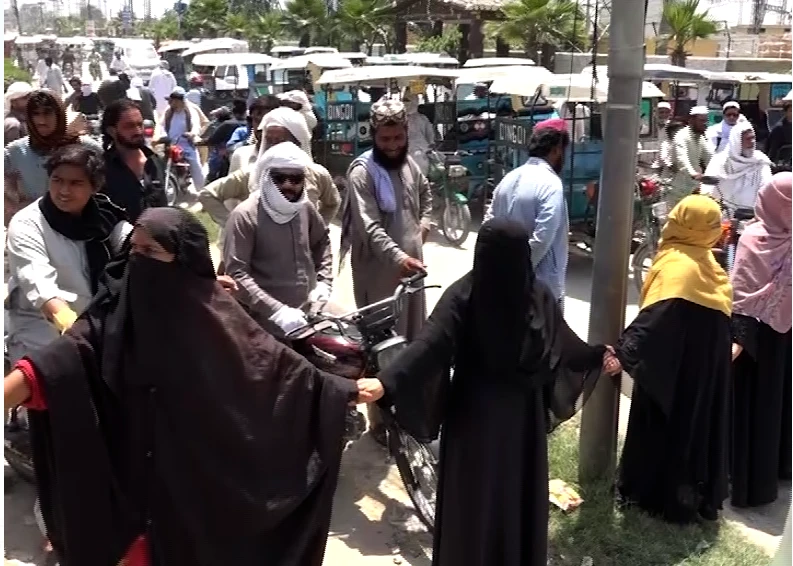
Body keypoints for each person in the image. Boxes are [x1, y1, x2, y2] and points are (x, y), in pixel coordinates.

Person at [3, 206, 376, 566]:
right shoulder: (111, 320)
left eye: (150, 251)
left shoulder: (217, 320)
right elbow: (55, 365)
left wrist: (342, 391)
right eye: (133, 249)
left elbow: (275, 369)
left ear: (182, 262)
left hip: (199, 496)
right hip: (132, 500)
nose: (137, 261)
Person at [360, 219, 618, 566]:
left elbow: (429, 345)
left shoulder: (471, 294)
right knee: (508, 500)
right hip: (517, 423)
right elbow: (564, 347)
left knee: (477, 504)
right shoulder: (533, 293)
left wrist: (386, 383)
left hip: (476, 419)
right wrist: (387, 381)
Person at [612, 194, 732, 524]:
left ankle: (650, 497)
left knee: (658, 431)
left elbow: (655, 321)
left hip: (669, 372)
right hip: (702, 375)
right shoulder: (714, 271)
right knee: (692, 431)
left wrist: (622, 353)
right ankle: (688, 499)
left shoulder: (676, 266)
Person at [341, 97, 432, 444]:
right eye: (385, 140)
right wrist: (399, 257)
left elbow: (427, 198)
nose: (392, 146)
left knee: (411, 343)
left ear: (406, 132)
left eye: (397, 139)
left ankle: (406, 411)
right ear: (374, 136)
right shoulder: (363, 172)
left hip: (411, 275)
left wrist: (421, 232)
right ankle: (380, 423)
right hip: (378, 275)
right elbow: (369, 228)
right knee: (381, 349)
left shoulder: (410, 165)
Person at [6, 143, 130, 364]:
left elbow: (134, 247)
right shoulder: (28, 224)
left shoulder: (105, 216)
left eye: (75, 183)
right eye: (57, 180)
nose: (64, 191)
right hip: (41, 329)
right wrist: (72, 327)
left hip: (98, 322)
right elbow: (41, 287)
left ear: (95, 186)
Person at [223, 142, 333, 337]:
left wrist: (325, 281)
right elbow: (237, 274)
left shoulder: (305, 208)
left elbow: (321, 241)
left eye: (295, 179)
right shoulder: (245, 215)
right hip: (261, 324)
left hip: (304, 317)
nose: (288, 185)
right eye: (279, 178)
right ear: (266, 177)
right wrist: (277, 311)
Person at [729, 172, 792, 508]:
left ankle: (747, 483)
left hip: (751, 336)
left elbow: (739, 294)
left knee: (749, 408)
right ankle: (778, 469)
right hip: (784, 333)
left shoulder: (753, 237)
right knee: (776, 403)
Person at [486, 118, 570, 304]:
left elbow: (488, 226)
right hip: (541, 291)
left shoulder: (508, 179)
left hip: (506, 285)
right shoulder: (551, 184)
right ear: (557, 150)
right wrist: (520, 271)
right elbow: (542, 238)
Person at [5, 90, 101, 226]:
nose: (41, 121)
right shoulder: (15, 152)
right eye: (35, 114)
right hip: (34, 229)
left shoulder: (87, 148)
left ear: (59, 114)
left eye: (47, 113)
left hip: (79, 229)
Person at [101, 99, 168, 222]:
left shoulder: (155, 162)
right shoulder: (102, 170)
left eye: (140, 124)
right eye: (129, 126)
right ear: (112, 131)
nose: (138, 131)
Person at [702, 121, 772, 213]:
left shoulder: (760, 161)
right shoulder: (720, 161)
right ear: (737, 141)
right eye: (748, 139)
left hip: (751, 216)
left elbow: (767, 188)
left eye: (753, 138)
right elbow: (708, 190)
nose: (752, 142)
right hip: (722, 216)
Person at [158, 87, 204, 193]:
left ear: (179, 101)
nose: (170, 102)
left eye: (172, 100)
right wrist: (164, 135)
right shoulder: (168, 112)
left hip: (186, 144)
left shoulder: (190, 111)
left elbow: (196, 125)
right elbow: (162, 126)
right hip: (171, 144)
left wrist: (192, 133)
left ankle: (202, 192)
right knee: (159, 163)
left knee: (195, 165)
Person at [669, 106, 714, 204]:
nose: (704, 124)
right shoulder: (681, 136)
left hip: (694, 187)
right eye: (701, 121)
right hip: (679, 188)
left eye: (705, 121)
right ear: (692, 120)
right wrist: (693, 173)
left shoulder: (700, 138)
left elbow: (709, 157)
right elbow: (682, 159)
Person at [228, 95, 280, 173]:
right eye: (257, 121)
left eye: (268, 122)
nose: (261, 127)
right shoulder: (241, 155)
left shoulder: (295, 157)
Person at [403, 93, 436, 175]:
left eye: (407, 100)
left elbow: (430, 135)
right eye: (404, 100)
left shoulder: (423, 119)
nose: (405, 103)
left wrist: (430, 146)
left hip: (421, 151)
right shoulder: (400, 119)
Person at [5, 81, 33, 146]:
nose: (30, 100)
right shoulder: (13, 125)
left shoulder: (26, 119)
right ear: (13, 102)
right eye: (25, 98)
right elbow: (14, 153)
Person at [766, 100, 792, 166]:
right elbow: (772, 149)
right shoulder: (778, 129)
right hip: (780, 161)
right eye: (791, 111)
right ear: (785, 112)